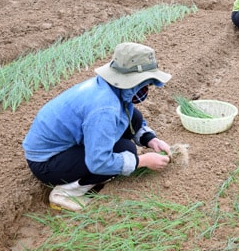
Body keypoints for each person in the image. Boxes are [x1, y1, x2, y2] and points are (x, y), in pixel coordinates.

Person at [22, 42, 173, 211]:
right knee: (126, 150)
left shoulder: (109, 87)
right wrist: (142, 161)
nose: (146, 89)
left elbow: (130, 118)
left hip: (64, 147)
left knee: (134, 116)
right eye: (145, 84)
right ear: (131, 81)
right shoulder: (104, 108)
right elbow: (98, 161)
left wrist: (151, 140)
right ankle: (65, 194)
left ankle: (81, 175)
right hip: (47, 163)